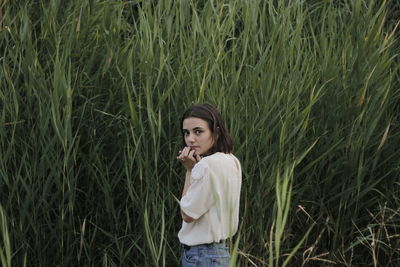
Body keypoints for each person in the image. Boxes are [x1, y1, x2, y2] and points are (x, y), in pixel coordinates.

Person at [176, 103, 242, 266]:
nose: (190, 139)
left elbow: (187, 214)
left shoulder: (206, 165)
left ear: (216, 132)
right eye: (186, 133)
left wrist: (189, 171)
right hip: (221, 252)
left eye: (198, 131)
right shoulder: (232, 160)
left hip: (201, 255)